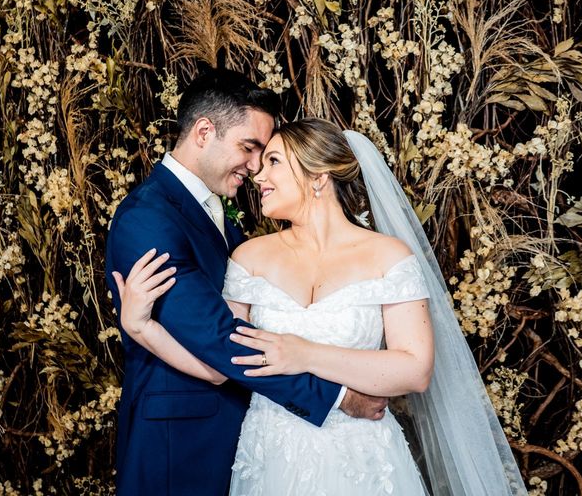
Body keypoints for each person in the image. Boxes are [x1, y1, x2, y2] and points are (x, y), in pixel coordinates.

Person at [115, 118, 529, 495]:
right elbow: (221, 366)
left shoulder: (388, 256)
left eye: (274, 161)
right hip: (271, 457)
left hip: (364, 458)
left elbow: (415, 371)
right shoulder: (249, 258)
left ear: (318, 177)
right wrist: (142, 329)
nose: (258, 174)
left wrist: (305, 353)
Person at [104, 74, 387, 496]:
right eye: (249, 147)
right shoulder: (148, 219)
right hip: (178, 445)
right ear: (204, 132)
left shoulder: (217, 213)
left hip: (245, 439)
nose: (255, 167)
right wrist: (337, 397)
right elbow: (220, 339)